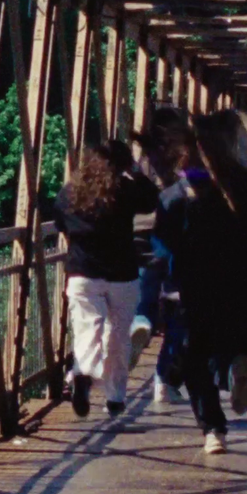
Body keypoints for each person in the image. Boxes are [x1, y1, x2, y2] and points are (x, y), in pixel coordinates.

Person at [156, 109, 247, 454]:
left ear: (186, 149)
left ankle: (214, 429)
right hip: (245, 289)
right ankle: (236, 360)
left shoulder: (179, 194)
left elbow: (163, 242)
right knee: (227, 346)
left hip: (196, 292)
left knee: (194, 361)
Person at [53, 139, 160, 419]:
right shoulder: (124, 191)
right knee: (118, 336)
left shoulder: (69, 194)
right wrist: (136, 170)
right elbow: (152, 200)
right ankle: (115, 397)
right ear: (122, 165)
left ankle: (83, 373)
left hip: (82, 273)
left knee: (87, 329)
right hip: (122, 273)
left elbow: (60, 223)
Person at [136, 106, 195, 406]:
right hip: (171, 242)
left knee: (144, 303)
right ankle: (164, 379)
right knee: (179, 313)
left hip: (139, 241)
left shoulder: (138, 162)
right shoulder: (179, 166)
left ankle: (139, 326)